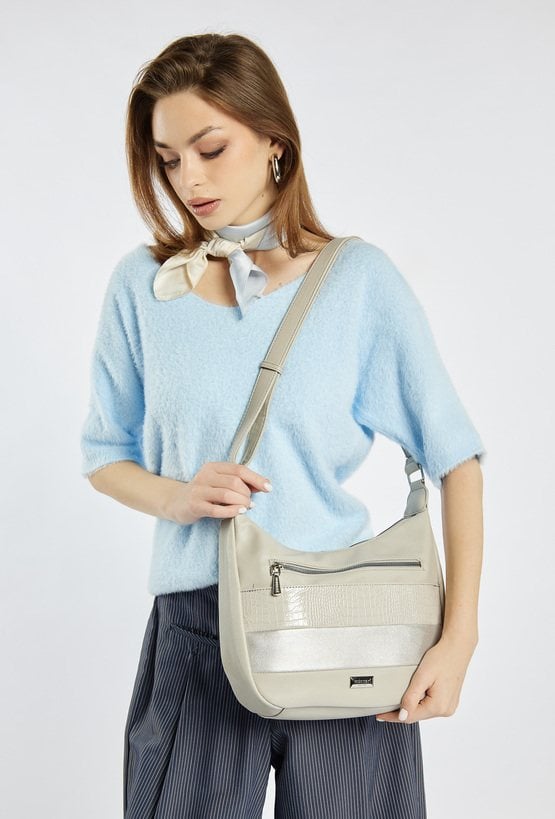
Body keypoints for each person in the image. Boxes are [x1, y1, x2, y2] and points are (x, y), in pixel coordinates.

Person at [80, 32, 486, 819]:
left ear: (274, 141)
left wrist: (458, 637)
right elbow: (104, 454)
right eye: (168, 158)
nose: (189, 179)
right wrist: (177, 496)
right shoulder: (143, 286)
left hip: (344, 626)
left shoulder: (356, 281)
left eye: (210, 148)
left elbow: (455, 457)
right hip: (195, 631)